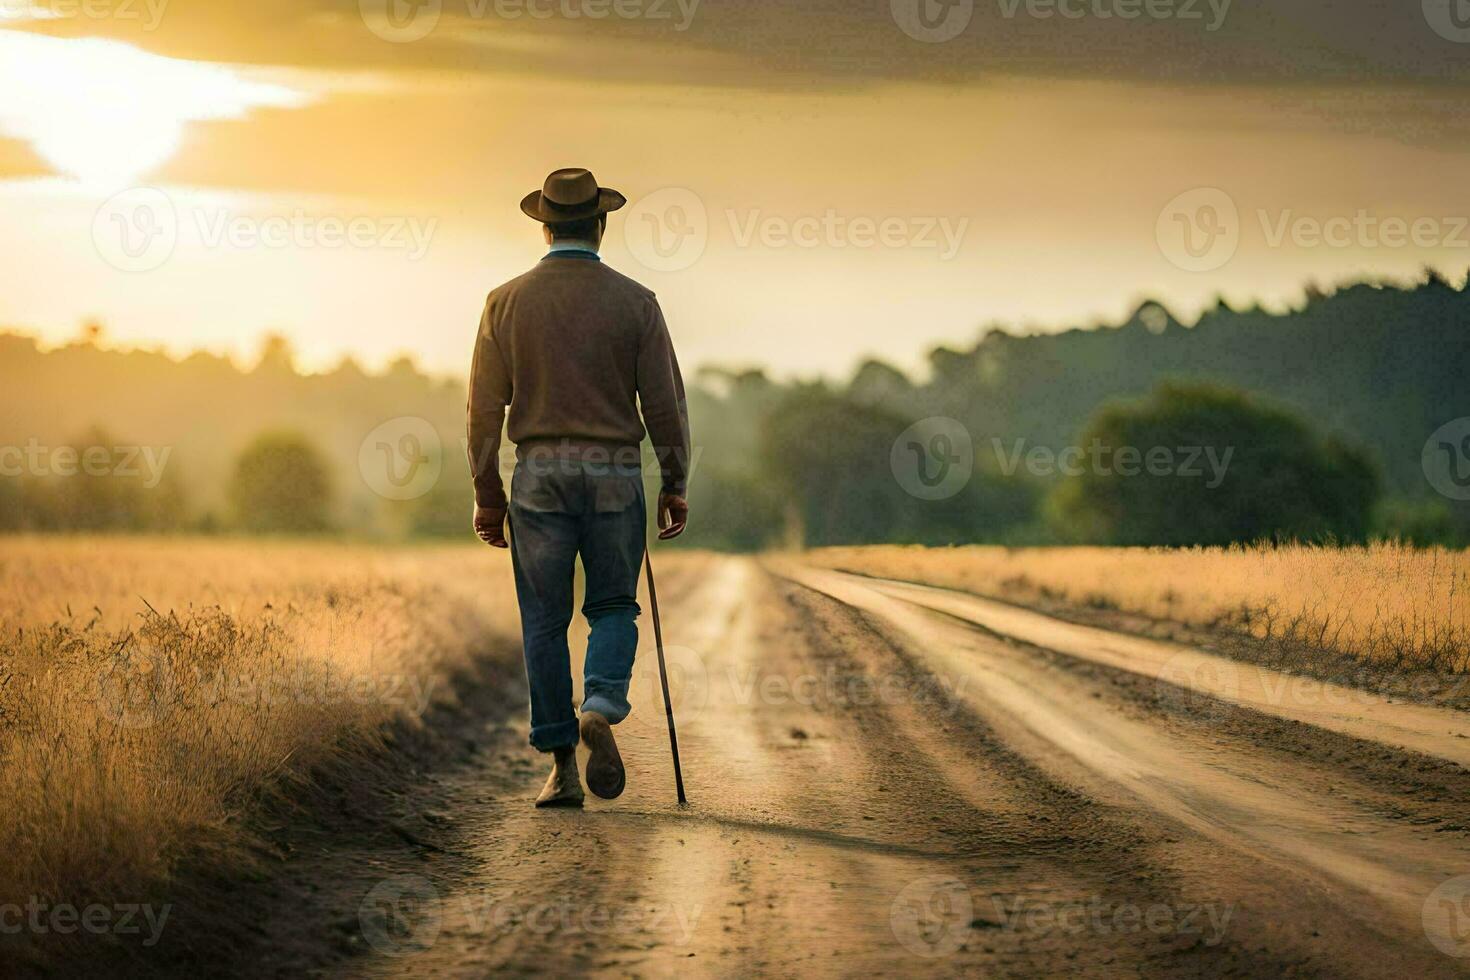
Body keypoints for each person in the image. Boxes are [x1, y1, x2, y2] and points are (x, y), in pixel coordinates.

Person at [466, 168, 692, 808]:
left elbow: (483, 411)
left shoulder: (504, 302)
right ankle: (600, 702)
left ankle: (562, 769)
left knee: (543, 621)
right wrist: (674, 482)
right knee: (615, 605)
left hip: (537, 475)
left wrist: (488, 493)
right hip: (617, 472)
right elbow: (666, 408)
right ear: (600, 225)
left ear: (544, 225)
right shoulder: (636, 302)